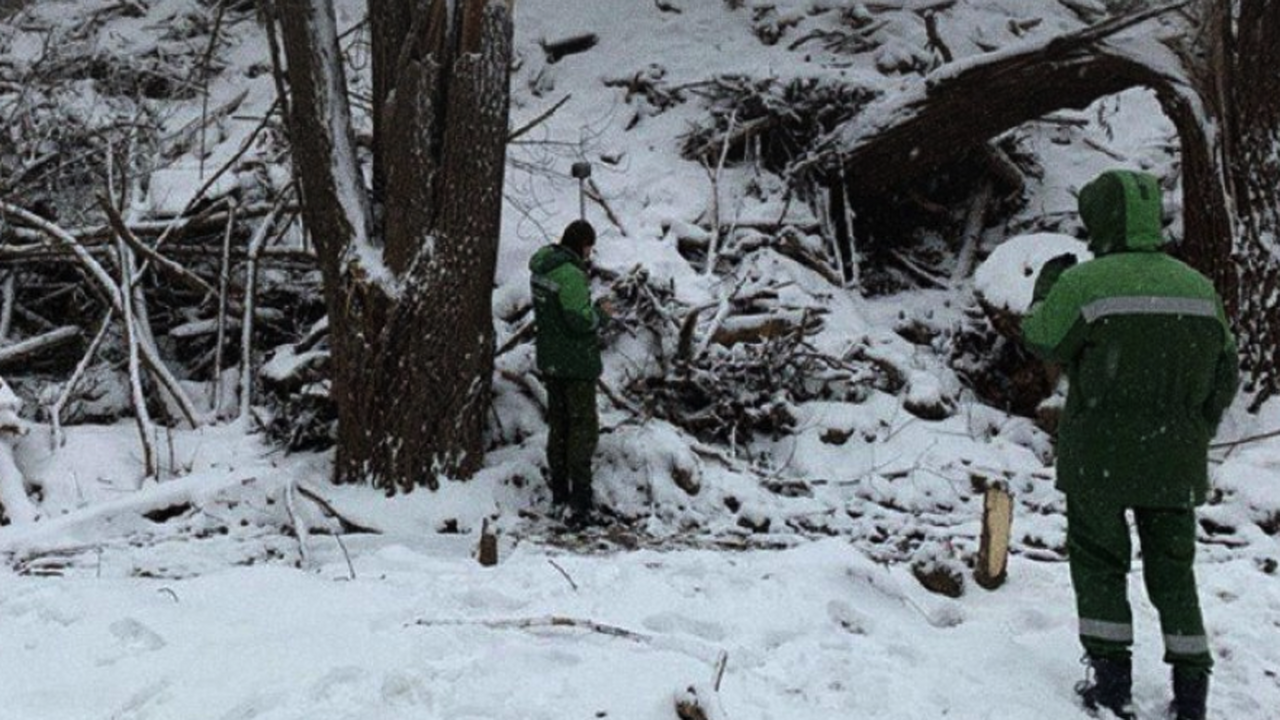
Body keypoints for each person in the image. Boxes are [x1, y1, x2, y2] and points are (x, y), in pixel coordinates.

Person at [1021, 169, 1238, 720]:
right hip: (1175, 458)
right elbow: (1226, 373)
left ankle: (1111, 683)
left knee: (1099, 562)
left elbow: (1042, 338)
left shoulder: (1086, 283)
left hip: (1098, 456)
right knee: (1174, 570)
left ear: (1101, 219)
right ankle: (1192, 690)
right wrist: (1196, 428)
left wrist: (1046, 291)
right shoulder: (1197, 287)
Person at [529, 220, 612, 527]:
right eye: (589, 247)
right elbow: (579, 319)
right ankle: (580, 504)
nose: (590, 253)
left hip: (551, 360)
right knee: (582, 430)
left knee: (559, 428)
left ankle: (559, 496)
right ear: (582, 244)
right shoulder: (570, 275)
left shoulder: (542, 268)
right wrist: (601, 313)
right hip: (576, 364)